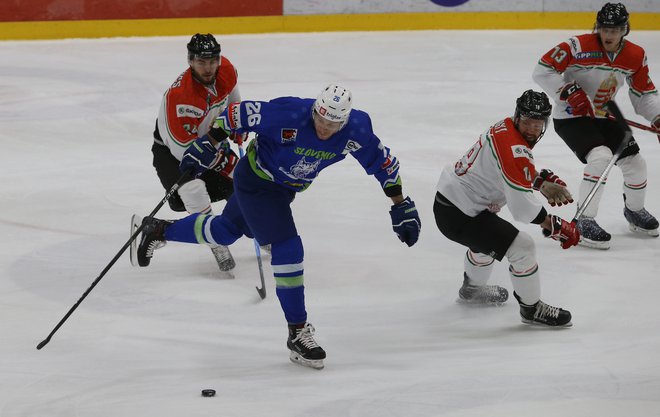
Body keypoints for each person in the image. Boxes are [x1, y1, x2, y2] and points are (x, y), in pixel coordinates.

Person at [136, 84, 421, 369]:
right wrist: (209, 142)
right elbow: (238, 113)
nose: (324, 128)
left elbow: (383, 164)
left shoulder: (357, 130)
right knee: (288, 249)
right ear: (314, 111)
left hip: (284, 189)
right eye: (320, 120)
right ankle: (297, 333)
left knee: (226, 230)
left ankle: (158, 230)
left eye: (332, 124)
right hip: (257, 182)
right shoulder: (289, 114)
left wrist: (399, 204)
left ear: (344, 121)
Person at [434, 90, 579, 327]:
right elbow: (522, 208)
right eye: (528, 122)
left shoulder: (505, 127)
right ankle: (532, 309)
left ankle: (472, 290)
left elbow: (503, 168)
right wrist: (553, 225)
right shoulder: (515, 149)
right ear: (518, 117)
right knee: (523, 247)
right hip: (461, 213)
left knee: (485, 244)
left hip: (451, 204)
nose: (532, 129)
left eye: (538, 123)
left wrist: (539, 181)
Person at [532, 2, 660, 249]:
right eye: (604, 28)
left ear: (625, 30)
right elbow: (542, 70)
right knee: (600, 157)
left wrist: (657, 117)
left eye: (616, 29)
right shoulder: (577, 46)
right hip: (571, 116)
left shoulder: (635, 55)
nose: (609, 35)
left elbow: (643, 93)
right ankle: (585, 220)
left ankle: (634, 211)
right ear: (598, 27)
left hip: (605, 114)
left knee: (636, 163)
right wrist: (566, 91)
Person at [150, 33, 241, 272]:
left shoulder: (226, 70)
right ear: (190, 61)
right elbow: (183, 149)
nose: (208, 67)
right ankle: (217, 242)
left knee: (244, 181)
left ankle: (263, 232)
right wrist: (221, 161)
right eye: (201, 61)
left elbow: (232, 94)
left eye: (212, 60)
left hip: (212, 140)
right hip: (172, 152)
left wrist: (237, 121)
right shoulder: (181, 97)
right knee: (192, 190)